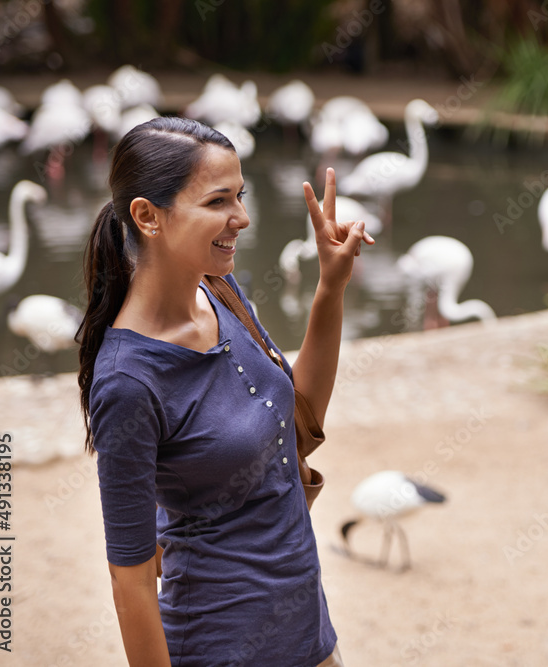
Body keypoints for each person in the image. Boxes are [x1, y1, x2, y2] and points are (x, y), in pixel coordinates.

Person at [76, 116, 373, 666]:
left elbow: (299, 418)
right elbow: (132, 583)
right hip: (223, 644)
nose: (242, 218)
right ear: (147, 216)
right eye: (218, 202)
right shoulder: (128, 382)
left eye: (241, 195)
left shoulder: (220, 290)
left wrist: (331, 288)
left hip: (309, 629)